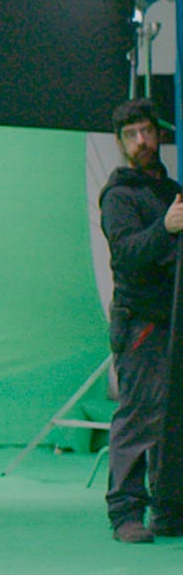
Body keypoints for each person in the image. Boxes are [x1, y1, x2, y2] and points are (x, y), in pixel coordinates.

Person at [99, 97, 183, 544]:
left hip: (173, 319)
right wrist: (164, 228)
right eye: (131, 135)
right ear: (120, 142)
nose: (141, 141)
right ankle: (125, 512)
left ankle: (169, 510)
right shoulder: (119, 197)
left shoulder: (170, 192)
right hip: (141, 324)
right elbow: (127, 254)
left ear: (159, 134)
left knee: (173, 422)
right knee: (138, 417)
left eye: (147, 131)